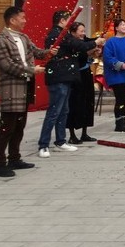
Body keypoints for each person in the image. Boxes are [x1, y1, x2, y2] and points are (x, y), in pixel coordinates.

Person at [0, 6, 52, 177]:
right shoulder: (2, 40)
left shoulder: (24, 37)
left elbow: (37, 52)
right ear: (12, 20)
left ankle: (14, 158)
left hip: (25, 86)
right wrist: (32, 70)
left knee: (20, 125)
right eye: (22, 18)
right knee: (7, 126)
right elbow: (7, 65)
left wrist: (50, 52)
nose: (25, 21)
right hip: (11, 88)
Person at [39, 10, 104, 156]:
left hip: (67, 77)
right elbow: (79, 45)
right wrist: (95, 42)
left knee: (64, 111)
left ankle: (60, 141)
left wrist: (93, 47)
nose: (70, 22)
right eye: (69, 19)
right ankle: (43, 144)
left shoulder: (64, 34)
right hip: (58, 77)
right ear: (62, 20)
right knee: (54, 112)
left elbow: (79, 48)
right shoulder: (57, 34)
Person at [66, 22, 101, 143]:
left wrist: (96, 50)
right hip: (74, 76)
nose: (83, 33)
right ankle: (72, 135)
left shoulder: (85, 40)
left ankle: (84, 133)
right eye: (81, 31)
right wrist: (91, 51)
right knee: (74, 103)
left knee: (88, 102)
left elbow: (92, 44)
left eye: (84, 31)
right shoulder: (70, 42)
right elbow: (80, 54)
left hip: (86, 74)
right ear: (73, 32)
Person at [102, 18, 125, 132]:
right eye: (122, 25)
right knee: (120, 99)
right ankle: (118, 123)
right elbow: (107, 58)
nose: (124, 26)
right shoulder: (110, 42)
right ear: (116, 28)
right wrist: (120, 64)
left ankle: (123, 120)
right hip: (116, 75)